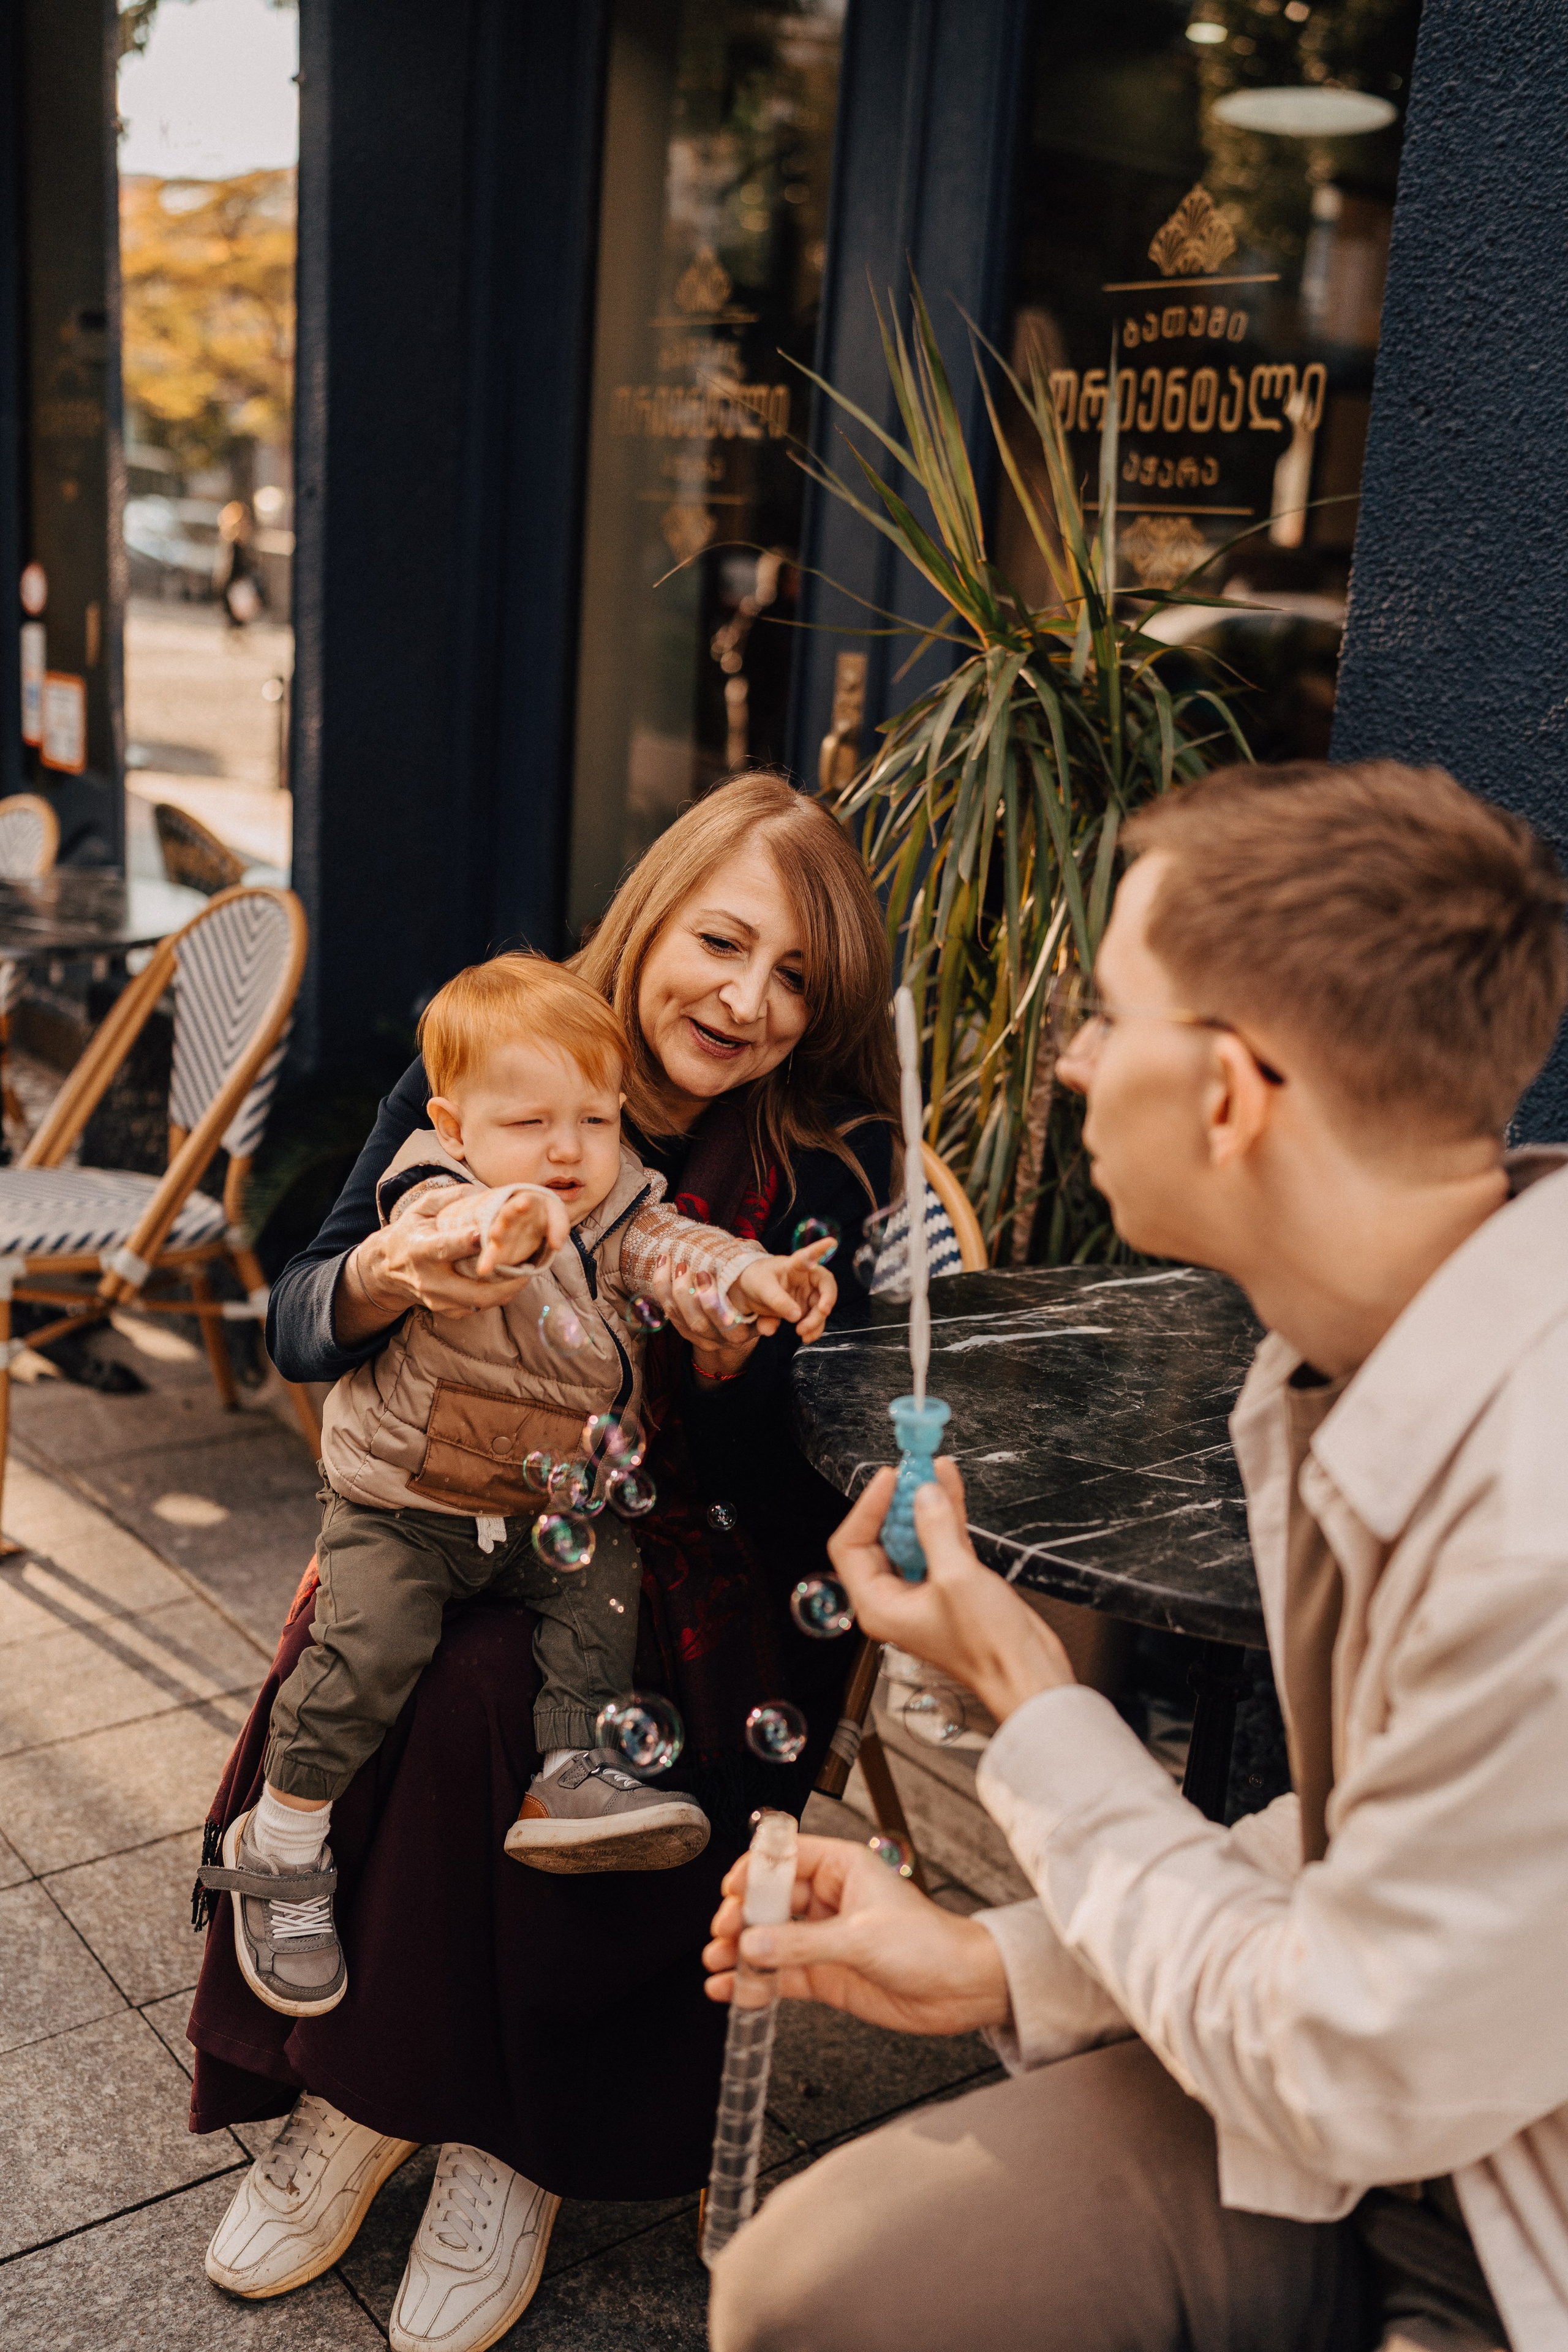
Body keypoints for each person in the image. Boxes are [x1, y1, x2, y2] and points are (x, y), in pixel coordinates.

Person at [703, 759, 1568, 2352]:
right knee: (812, 2293)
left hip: (1515, 2226)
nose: (1074, 1061)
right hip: (1410, 2104)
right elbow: (1380, 1856)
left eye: (1107, 1015)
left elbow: (1345, 2062)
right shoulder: (1335, 1358)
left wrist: (1031, 1698)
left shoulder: (1537, 1525)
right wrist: (993, 1963)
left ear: (1228, 1096)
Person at [186, 772, 897, 2350]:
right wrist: (389, 1272)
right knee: (410, 1640)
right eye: (722, 942)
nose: (749, 1002)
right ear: (651, 917)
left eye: (796, 977)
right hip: (467, 1507)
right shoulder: (500, 1058)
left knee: (487, 1686)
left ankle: (497, 2143)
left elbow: (804, 1467)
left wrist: (735, 1362)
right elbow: (298, 1318)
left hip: (709, 1562)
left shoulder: (825, 1166)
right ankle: (375, 2106)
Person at [200, 951, 840, 2019]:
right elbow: (437, 1231)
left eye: (595, 1120)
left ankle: (572, 1772)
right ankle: (282, 1836)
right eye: (531, 1124)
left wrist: (750, 1275)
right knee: (369, 1651)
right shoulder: (438, 1191)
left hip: (547, 1507)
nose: (568, 1150)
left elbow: (678, 1250)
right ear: (455, 1129)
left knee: (603, 1589)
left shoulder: (620, 1204)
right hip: (405, 1504)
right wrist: (488, 1235)